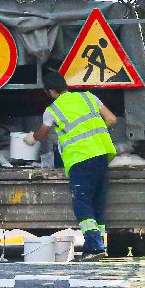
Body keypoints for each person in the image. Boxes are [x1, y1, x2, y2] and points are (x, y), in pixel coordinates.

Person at [25, 72, 118, 261]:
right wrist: (93, 133)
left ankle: (94, 246)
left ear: (50, 91)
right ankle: (99, 243)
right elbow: (111, 119)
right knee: (97, 201)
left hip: (80, 158)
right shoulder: (88, 96)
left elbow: (42, 134)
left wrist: (31, 138)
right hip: (102, 152)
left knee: (82, 202)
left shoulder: (53, 110)